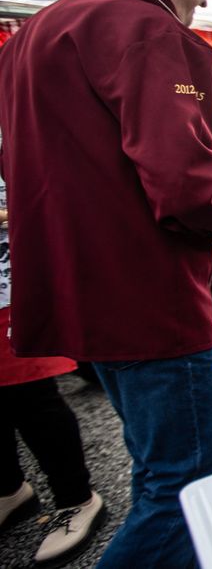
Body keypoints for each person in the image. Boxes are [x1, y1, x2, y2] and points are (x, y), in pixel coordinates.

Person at [0, 0, 212, 566]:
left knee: (156, 469)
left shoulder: (33, 35)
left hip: (75, 294)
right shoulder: (151, 30)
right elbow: (187, 188)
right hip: (147, 302)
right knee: (192, 491)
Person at [0, 163, 104, 566]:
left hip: (12, 286)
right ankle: (11, 488)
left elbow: (45, 189)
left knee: (32, 397)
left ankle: (75, 497)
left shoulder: (12, 122)